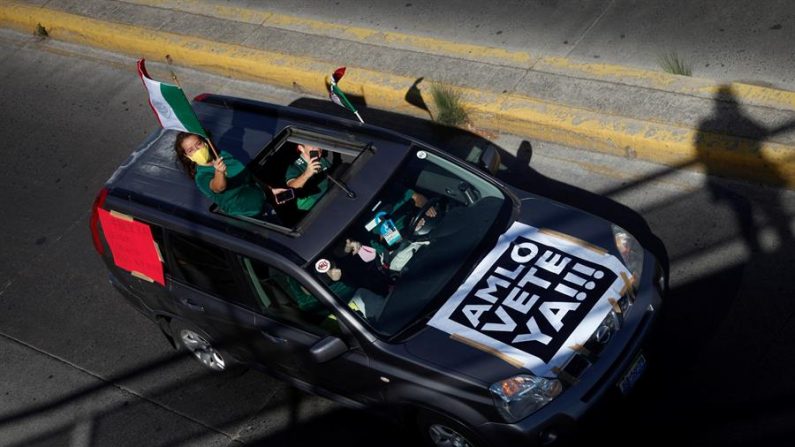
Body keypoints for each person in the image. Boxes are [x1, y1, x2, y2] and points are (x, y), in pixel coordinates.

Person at [174, 132, 290, 219]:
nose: (197, 150)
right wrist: (219, 172)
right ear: (187, 156)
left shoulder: (223, 155)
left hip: (264, 204)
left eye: (198, 144)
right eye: (191, 150)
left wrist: (270, 190)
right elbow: (218, 187)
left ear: (205, 143)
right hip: (249, 219)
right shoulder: (201, 176)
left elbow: (248, 176)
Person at [285, 144, 332, 211]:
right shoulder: (294, 167)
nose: (317, 148)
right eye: (312, 145)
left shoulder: (321, 159)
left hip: (331, 195)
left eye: (319, 144)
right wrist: (307, 173)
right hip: (311, 205)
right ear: (301, 148)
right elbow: (291, 187)